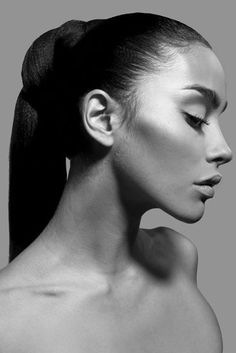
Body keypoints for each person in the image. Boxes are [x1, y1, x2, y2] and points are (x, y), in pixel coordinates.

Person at [0, 12, 232, 352]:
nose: (224, 150)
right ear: (102, 118)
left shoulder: (179, 258)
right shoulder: (9, 320)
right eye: (195, 118)